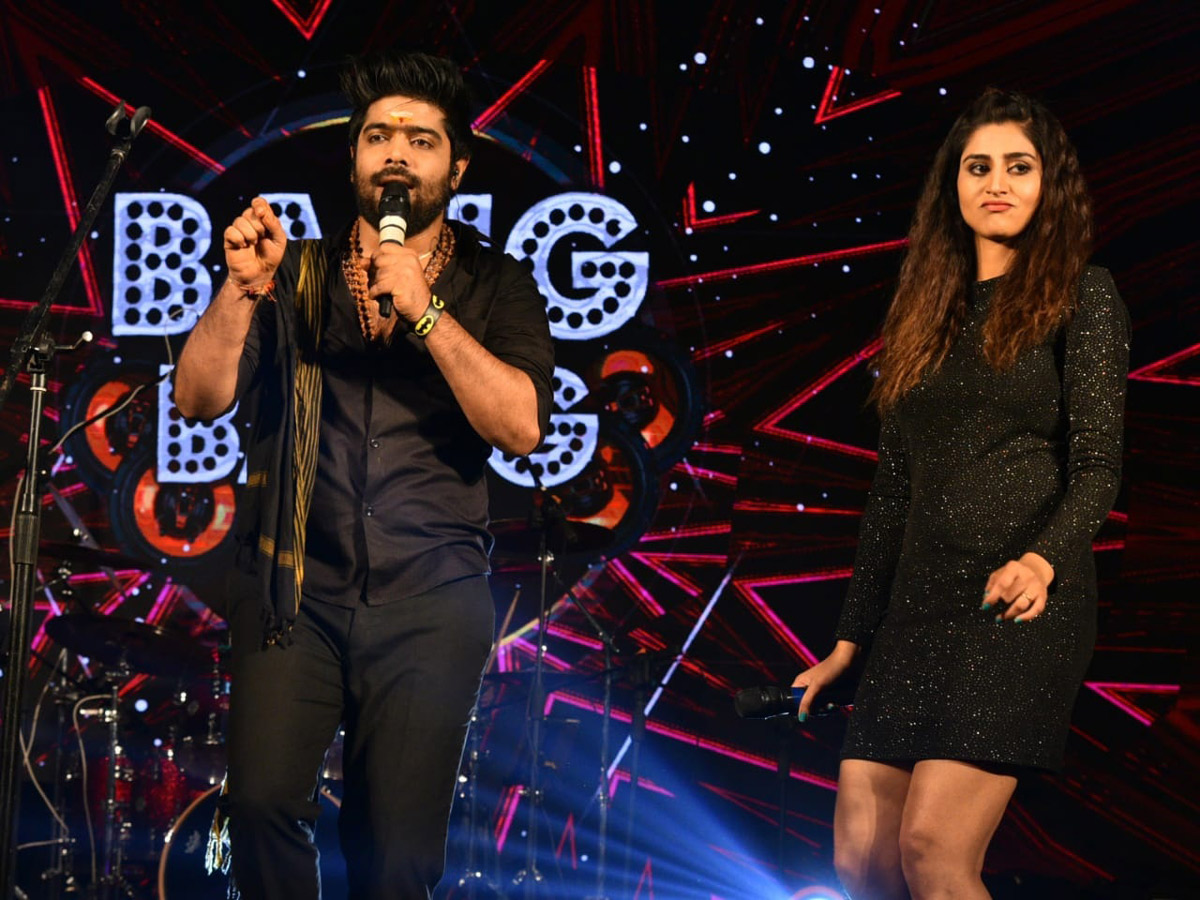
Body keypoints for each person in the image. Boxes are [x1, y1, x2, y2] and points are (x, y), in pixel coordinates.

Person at [173, 49, 554, 899]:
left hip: (431, 596)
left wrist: (427, 310)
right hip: (293, 592)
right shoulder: (291, 272)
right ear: (352, 159)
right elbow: (197, 401)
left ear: (456, 167)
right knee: (262, 806)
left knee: (397, 854)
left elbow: (522, 428)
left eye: (420, 141)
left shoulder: (497, 282)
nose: (395, 155)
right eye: (378, 136)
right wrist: (239, 292)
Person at [791, 88, 1129, 900]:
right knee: (862, 867)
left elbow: (1097, 465)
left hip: (1014, 608)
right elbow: (892, 493)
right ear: (953, 185)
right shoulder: (923, 315)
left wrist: (1042, 562)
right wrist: (848, 641)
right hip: (916, 611)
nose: (997, 184)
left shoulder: (1083, 295)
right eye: (979, 167)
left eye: (1019, 167)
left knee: (933, 853)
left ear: (1050, 185)